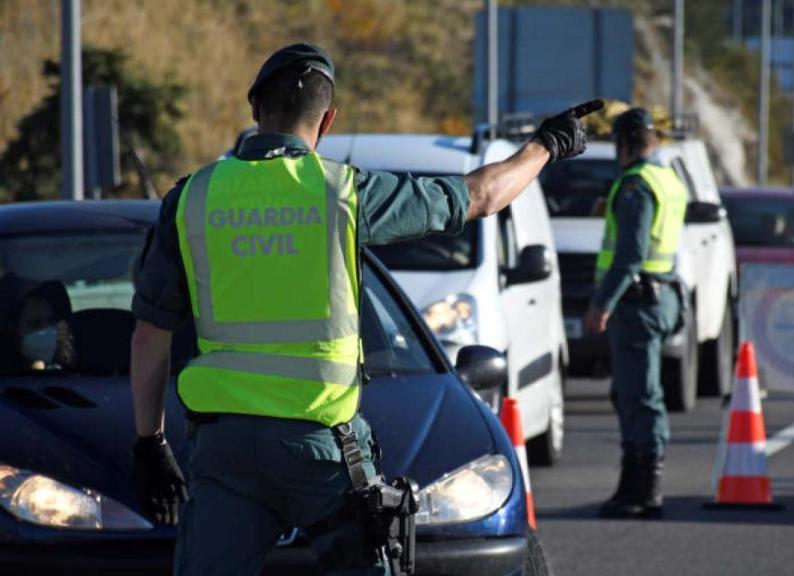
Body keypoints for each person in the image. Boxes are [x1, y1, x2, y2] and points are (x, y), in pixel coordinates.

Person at [129, 42, 598, 575]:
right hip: (321, 453)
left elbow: (150, 334)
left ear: (254, 107)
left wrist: (150, 442)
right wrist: (544, 146)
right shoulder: (342, 194)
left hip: (224, 450)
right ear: (328, 120)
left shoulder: (193, 198)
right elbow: (482, 197)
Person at [583, 108, 687, 519]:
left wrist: (601, 304)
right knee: (634, 392)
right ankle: (636, 486)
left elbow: (629, 255)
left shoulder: (636, 185)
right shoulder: (666, 178)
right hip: (662, 297)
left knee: (640, 396)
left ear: (625, 143)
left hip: (637, 303)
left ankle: (643, 492)